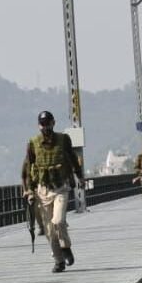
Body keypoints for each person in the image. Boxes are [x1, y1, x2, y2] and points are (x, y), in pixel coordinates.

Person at [22, 110, 84, 273]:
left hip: (60, 187)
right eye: (42, 124)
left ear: (53, 123)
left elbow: (72, 158)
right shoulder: (33, 143)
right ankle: (59, 261)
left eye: (48, 123)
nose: (45, 127)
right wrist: (28, 190)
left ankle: (65, 247)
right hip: (43, 190)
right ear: (38, 125)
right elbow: (28, 168)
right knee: (49, 230)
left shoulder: (63, 140)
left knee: (58, 221)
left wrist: (79, 176)